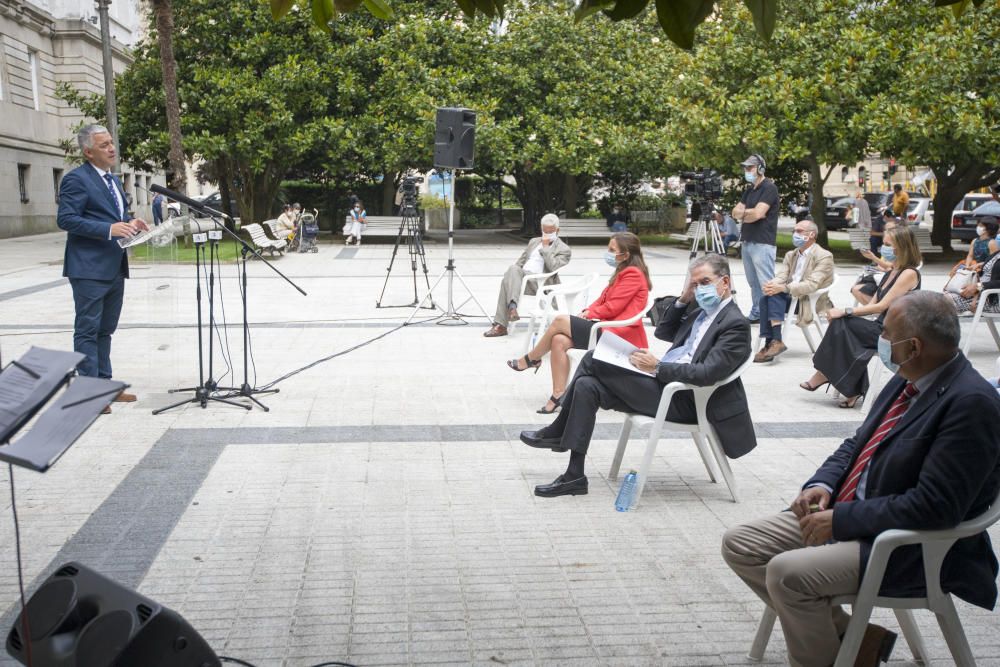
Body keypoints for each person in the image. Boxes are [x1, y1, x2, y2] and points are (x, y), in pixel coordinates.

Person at [723, 291, 1000, 667]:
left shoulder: (971, 404)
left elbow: (936, 506)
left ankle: (830, 654)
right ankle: (855, 640)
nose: (879, 340)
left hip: (908, 546)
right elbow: (857, 445)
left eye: (885, 333)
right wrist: (819, 485)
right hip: (858, 514)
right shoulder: (909, 377)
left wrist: (840, 519)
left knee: (788, 575)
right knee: (741, 544)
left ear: (914, 346)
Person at [519, 254, 755, 498]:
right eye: (695, 284)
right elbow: (663, 332)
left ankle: (558, 430)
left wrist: (657, 367)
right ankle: (574, 476)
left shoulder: (734, 324)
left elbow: (706, 374)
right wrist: (684, 299)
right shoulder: (701, 311)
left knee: (591, 359)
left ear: (725, 282)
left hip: (687, 399)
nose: (699, 289)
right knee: (587, 386)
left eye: (705, 282)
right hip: (665, 386)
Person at [56, 124, 149, 412]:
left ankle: (104, 386)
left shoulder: (112, 179)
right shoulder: (76, 180)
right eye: (104, 144)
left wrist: (130, 224)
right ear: (88, 151)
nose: (112, 148)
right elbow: (66, 219)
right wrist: (108, 229)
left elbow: (115, 217)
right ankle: (88, 394)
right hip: (88, 268)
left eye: (111, 142)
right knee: (87, 329)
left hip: (114, 266)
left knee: (105, 330)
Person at [507, 232, 649, 414]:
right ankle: (558, 394)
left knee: (559, 320)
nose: (608, 253)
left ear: (626, 254)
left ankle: (531, 359)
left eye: (612, 250)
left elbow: (613, 307)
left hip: (618, 335)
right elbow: (603, 300)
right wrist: (587, 311)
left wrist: (591, 313)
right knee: (558, 340)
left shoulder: (633, 274)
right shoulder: (623, 271)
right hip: (606, 328)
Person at [800, 226, 922, 408]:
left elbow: (881, 306)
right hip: (881, 325)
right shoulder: (891, 272)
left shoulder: (909, 274)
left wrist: (845, 311)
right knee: (843, 327)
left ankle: (828, 375)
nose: (884, 249)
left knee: (843, 323)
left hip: (895, 333)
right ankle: (845, 385)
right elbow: (873, 308)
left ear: (902, 247)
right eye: (884, 244)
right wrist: (845, 313)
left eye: (889, 245)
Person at [755, 217, 834, 362]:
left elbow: (812, 285)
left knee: (774, 296)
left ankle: (772, 342)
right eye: (794, 231)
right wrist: (772, 284)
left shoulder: (824, 256)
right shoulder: (791, 255)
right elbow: (782, 275)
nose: (795, 234)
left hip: (809, 300)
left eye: (799, 231)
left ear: (811, 234)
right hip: (791, 296)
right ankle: (773, 342)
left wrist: (783, 288)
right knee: (767, 296)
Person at [484, 214, 571, 338]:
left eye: (550, 232)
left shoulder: (564, 249)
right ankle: (512, 309)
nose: (547, 234)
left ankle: (501, 325)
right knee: (511, 272)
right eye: (544, 231)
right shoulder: (534, 241)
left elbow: (554, 267)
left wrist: (546, 248)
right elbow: (520, 262)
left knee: (507, 281)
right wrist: (512, 276)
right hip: (523, 280)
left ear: (557, 230)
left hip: (542, 283)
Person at [732, 154, 780, 324]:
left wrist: (744, 214)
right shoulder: (749, 190)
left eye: (750, 167)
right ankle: (758, 312)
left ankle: (773, 316)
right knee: (753, 282)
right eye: (745, 168)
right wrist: (748, 214)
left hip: (762, 242)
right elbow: (734, 212)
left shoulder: (769, 188)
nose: (747, 171)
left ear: (760, 168)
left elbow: (758, 214)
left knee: (766, 282)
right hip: (747, 241)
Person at [851, 215, 900, 306]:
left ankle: (877, 312)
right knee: (855, 288)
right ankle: (876, 312)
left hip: (884, 281)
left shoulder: (899, 252)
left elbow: (889, 268)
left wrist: (873, 258)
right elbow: (884, 267)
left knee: (857, 289)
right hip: (881, 277)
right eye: (885, 229)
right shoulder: (888, 249)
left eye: (890, 229)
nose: (886, 232)